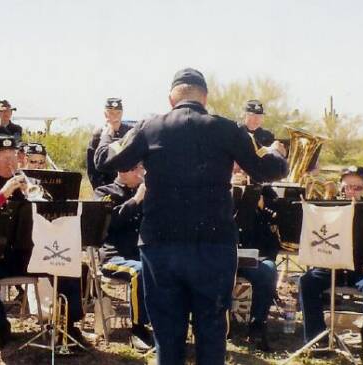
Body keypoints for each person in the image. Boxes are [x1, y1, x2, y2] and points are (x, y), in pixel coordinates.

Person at [94, 68, 288, 364]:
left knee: (167, 336)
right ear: (205, 98)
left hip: (161, 248)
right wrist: (274, 151)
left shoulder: (150, 127)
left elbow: (105, 159)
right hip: (213, 248)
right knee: (211, 333)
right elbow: (271, 169)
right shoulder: (228, 129)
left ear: (171, 99)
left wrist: (109, 132)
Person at [0, 134, 84, 348]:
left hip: (31, 252)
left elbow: (52, 214)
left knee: (69, 266)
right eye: (2, 156)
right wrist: (3, 193)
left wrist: (35, 197)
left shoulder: (33, 183)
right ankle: (0, 329)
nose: (10, 161)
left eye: (13, 156)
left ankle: (68, 327)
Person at [299, 166, 363, 364]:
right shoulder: (328, 210)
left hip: (361, 269)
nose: (351, 191)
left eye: (357, 188)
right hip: (331, 267)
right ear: (340, 187)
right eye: (347, 187)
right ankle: (317, 339)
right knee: (306, 281)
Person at [95, 163, 154, 351]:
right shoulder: (104, 192)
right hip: (114, 257)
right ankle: (138, 329)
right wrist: (136, 199)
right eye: (136, 169)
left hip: (142, 254)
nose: (141, 173)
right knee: (139, 271)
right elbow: (108, 224)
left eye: (142, 168)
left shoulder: (147, 191)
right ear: (122, 170)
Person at [235, 183, 280, 352]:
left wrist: (262, 209)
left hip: (253, 255)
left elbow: (277, 226)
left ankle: (258, 324)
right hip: (221, 252)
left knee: (267, 271)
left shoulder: (267, 193)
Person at [87, 98, 132, 189]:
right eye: (111, 113)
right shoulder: (98, 135)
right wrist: (101, 190)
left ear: (122, 113)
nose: (115, 117)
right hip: (107, 186)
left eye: (118, 113)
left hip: (129, 186)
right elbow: (92, 169)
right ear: (105, 114)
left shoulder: (130, 132)